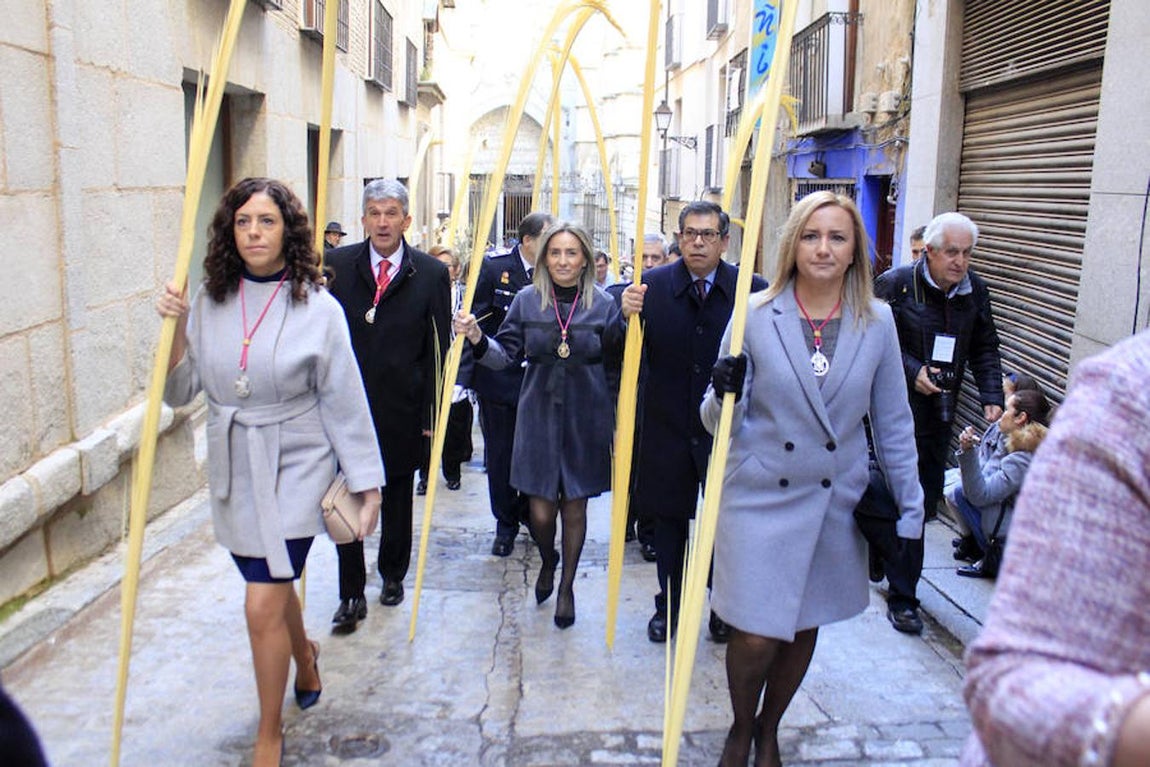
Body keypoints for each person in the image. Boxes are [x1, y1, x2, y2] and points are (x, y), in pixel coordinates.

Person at [156, 178, 384, 767]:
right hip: (236, 463)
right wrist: (175, 326)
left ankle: (268, 731)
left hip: (299, 461)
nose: (254, 232)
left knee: (260, 602)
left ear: (288, 231)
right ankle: (304, 655)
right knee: (272, 584)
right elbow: (179, 392)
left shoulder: (319, 308)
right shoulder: (210, 299)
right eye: (243, 222)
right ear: (229, 232)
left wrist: (368, 484)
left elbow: (344, 399)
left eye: (267, 221)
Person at [700, 191, 922, 767]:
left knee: (801, 625)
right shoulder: (754, 314)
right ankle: (741, 727)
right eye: (811, 235)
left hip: (833, 500)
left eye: (837, 237)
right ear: (792, 245)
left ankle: (770, 728)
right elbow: (718, 421)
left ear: (855, 252)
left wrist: (912, 508)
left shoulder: (878, 322)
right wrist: (722, 389)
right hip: (758, 495)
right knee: (754, 631)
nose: (823, 248)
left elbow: (893, 422)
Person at [960, 330, 1150, 767]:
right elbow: (1010, 681)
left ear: (1022, 418)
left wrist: (968, 457)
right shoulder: (1123, 395)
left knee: (958, 492)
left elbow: (982, 491)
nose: (1000, 408)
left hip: (1000, 524)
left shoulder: (1023, 453)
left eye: (1008, 404)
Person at [455, 222, 624, 629]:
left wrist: (617, 420)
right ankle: (548, 560)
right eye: (555, 253)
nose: (563, 261)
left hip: (586, 413)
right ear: (545, 257)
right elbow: (504, 356)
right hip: (538, 412)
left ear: (584, 259)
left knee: (576, 504)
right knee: (541, 511)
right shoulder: (527, 301)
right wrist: (477, 338)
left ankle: (566, 587)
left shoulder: (604, 305)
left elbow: (618, 359)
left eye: (571, 253)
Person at [620, 202, 766, 644]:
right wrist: (623, 317)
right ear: (679, 238)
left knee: (726, 525)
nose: (698, 242)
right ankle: (670, 605)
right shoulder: (650, 289)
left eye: (708, 234)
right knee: (669, 525)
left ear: (725, 241)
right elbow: (616, 353)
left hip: (729, 431)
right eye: (689, 234)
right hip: (666, 426)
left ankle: (724, 605)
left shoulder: (751, 290)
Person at [325, 179, 451, 625]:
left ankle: (392, 575)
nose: (382, 222)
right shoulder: (336, 266)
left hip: (403, 407)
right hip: (346, 407)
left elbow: (438, 348)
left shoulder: (430, 273)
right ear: (363, 219)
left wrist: (432, 414)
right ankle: (351, 592)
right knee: (346, 497)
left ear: (406, 220)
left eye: (391, 213)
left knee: (397, 497)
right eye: (374, 213)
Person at [873, 210, 1003, 635]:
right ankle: (901, 591)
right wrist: (913, 371)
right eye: (951, 252)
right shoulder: (896, 285)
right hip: (889, 412)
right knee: (891, 498)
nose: (960, 261)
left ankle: (899, 582)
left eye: (967, 253)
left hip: (939, 413)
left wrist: (992, 397)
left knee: (920, 503)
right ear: (928, 251)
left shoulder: (974, 291)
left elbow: (984, 346)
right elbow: (870, 340)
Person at [470, 212, 555, 557]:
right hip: (501, 379)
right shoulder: (496, 268)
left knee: (537, 456)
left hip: (542, 384)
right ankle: (505, 524)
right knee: (502, 455)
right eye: (547, 237)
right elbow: (478, 321)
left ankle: (530, 515)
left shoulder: (556, 271)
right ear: (528, 240)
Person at [946, 388, 1050, 579]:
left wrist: (967, 452)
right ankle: (979, 549)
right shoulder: (1011, 441)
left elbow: (980, 494)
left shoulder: (1023, 458)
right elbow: (986, 476)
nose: (1002, 414)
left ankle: (990, 558)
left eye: (1007, 410)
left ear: (1021, 418)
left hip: (1019, 539)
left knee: (964, 493)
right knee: (959, 492)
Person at [417, 245, 474, 494]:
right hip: (429, 369)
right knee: (427, 429)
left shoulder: (467, 298)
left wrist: (464, 378)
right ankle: (425, 476)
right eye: (437, 265)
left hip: (457, 369)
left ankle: (452, 473)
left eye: (447, 265)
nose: (443, 270)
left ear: (457, 269)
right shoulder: (422, 293)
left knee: (453, 429)